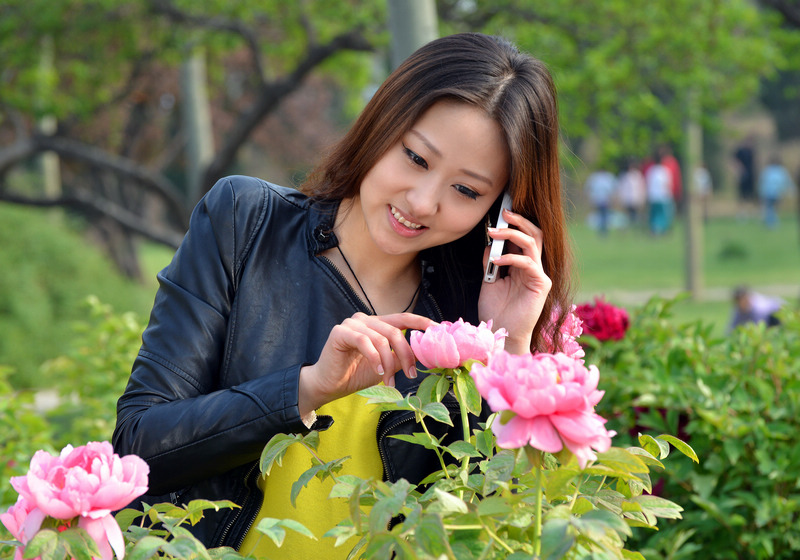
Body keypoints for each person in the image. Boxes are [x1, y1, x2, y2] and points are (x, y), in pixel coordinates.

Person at [112, 33, 573, 558]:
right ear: (383, 122)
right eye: (416, 158)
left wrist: (509, 350)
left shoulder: (465, 327)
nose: (422, 203)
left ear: (501, 210)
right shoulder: (246, 223)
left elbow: (495, 527)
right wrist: (305, 389)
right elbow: (138, 443)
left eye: (466, 191)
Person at [758, 154, 795, 229]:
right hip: (777, 193)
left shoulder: (767, 170)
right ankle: (772, 222)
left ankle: (771, 223)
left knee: (769, 208)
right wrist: (792, 190)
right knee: (774, 208)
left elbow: (762, 181)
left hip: (767, 192)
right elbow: (787, 181)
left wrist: (760, 192)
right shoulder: (782, 170)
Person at [584, 166, 617, 235]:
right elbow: (589, 188)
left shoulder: (607, 178)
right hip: (598, 200)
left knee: (605, 216)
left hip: (605, 200)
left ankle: (604, 230)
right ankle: (601, 230)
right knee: (600, 216)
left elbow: (613, 190)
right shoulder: (596, 178)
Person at [645, 156, 674, 235]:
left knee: (654, 215)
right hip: (663, 196)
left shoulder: (651, 170)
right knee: (664, 215)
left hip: (653, 196)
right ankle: (663, 231)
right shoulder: (664, 170)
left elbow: (648, 183)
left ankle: (654, 230)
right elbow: (668, 184)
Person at [616, 159, 646, 227]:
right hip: (626, 199)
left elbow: (641, 187)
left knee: (635, 216)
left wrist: (641, 198)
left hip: (635, 199)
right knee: (626, 216)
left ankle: (634, 227)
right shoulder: (624, 176)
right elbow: (620, 188)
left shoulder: (638, 175)